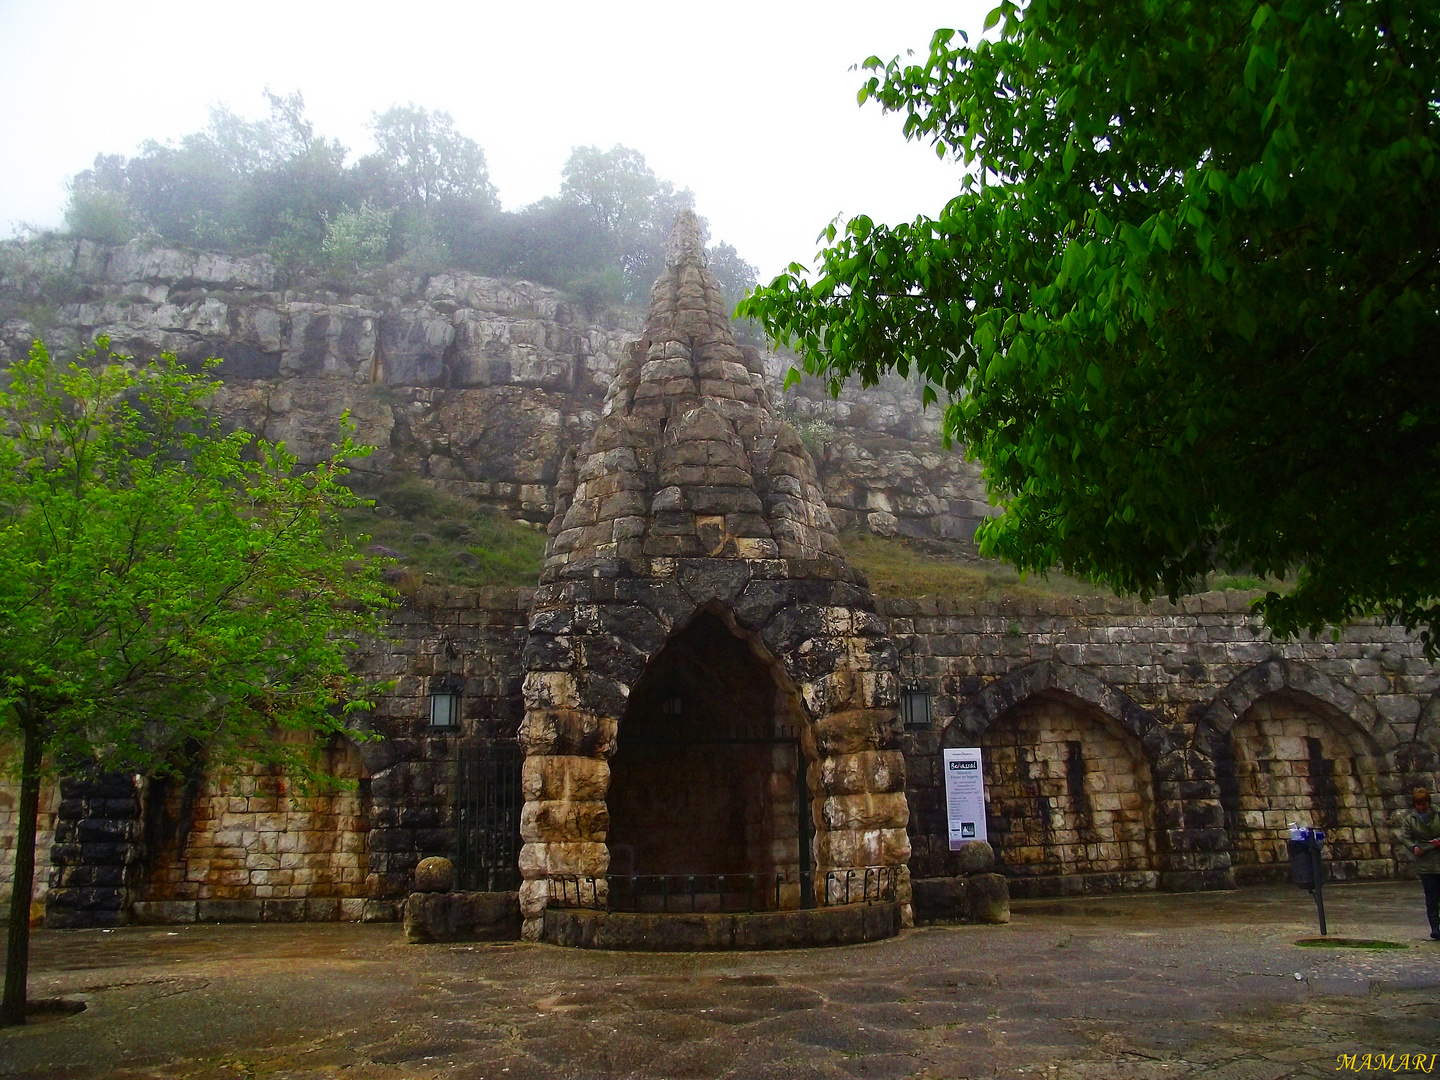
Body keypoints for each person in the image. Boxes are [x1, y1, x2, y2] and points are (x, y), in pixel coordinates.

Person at [1402, 786, 1440, 940]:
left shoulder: (1438, 814)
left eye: (1424, 804)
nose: (1422, 807)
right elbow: (1406, 837)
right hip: (1425, 863)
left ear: (1428, 803)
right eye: (1418, 804)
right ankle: (1435, 927)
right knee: (1431, 897)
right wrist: (1414, 847)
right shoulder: (1410, 820)